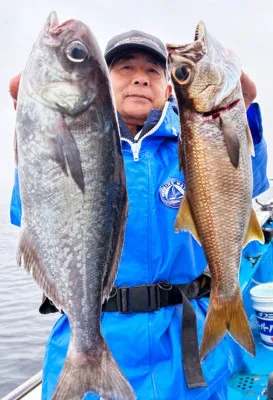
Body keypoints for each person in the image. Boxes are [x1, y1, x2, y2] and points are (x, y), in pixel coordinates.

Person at [9, 29, 269, 400]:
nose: (140, 77)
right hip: (100, 331)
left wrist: (245, 118)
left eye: (154, 70)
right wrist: (35, 134)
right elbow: (33, 214)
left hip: (184, 345)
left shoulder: (192, 142)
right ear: (102, 80)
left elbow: (249, 184)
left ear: (167, 89)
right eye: (125, 67)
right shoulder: (80, 146)